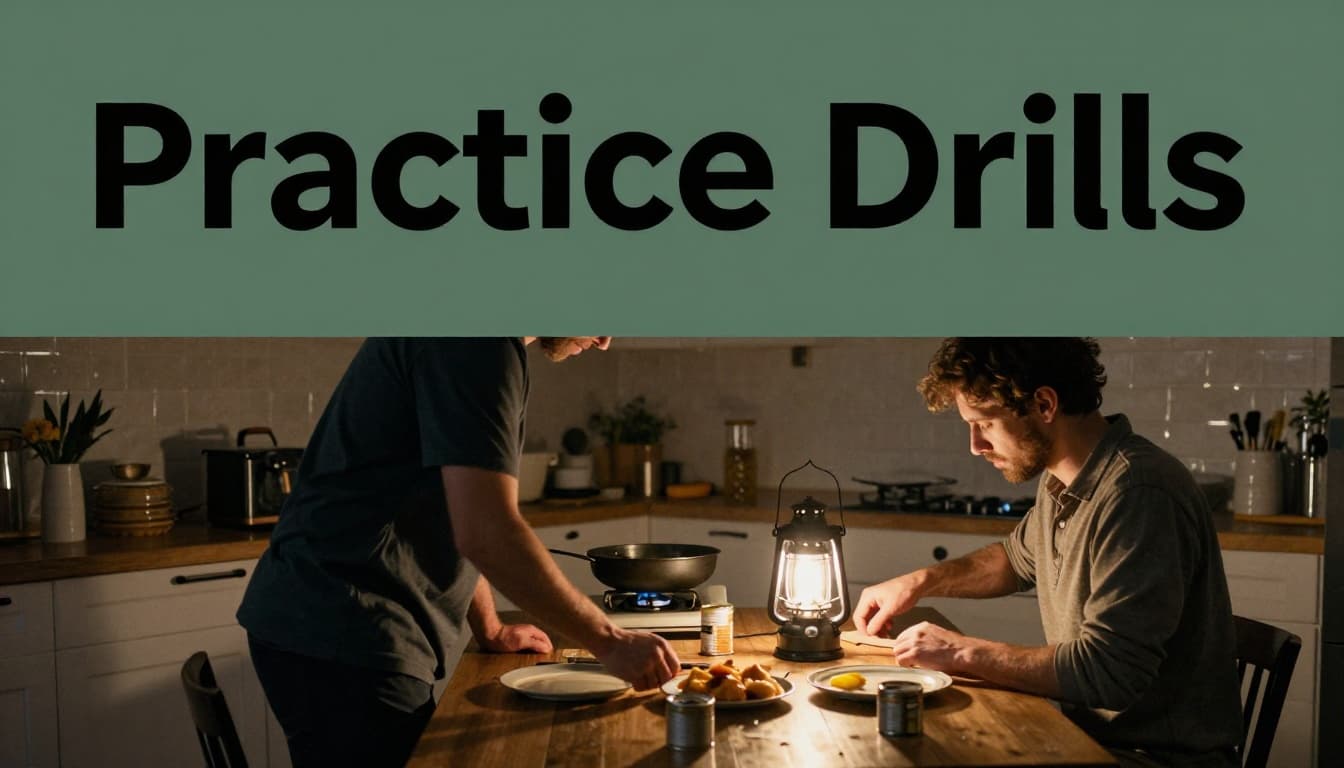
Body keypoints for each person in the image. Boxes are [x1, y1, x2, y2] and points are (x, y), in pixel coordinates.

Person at [237, 337, 681, 768]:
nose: (605, 340)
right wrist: (611, 641)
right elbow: (488, 531)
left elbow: (457, 508)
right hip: (344, 631)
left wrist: (489, 626)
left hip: (326, 621)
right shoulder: (478, 343)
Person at [853, 338, 1242, 767]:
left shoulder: (1138, 491)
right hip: (1090, 741)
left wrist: (959, 652)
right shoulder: (1064, 481)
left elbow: (1110, 671)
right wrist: (918, 582)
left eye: (985, 423)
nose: (975, 446)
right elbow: (1014, 561)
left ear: (1043, 404)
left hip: (1153, 758)